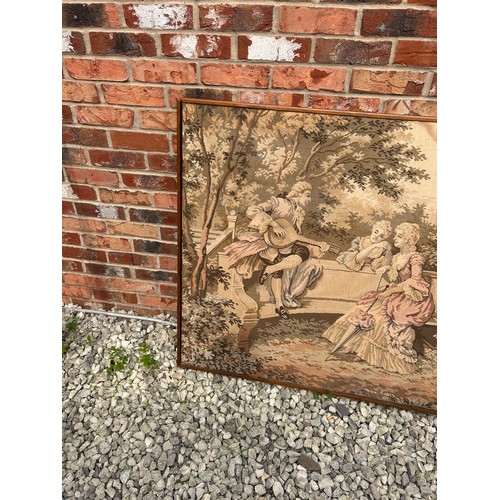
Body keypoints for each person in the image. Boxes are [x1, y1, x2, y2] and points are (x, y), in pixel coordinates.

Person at [322, 222, 435, 374]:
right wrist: (387, 269)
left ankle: (365, 351)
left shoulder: (415, 258)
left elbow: (415, 280)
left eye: (399, 236)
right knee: (361, 309)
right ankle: (354, 345)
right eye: (396, 235)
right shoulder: (398, 256)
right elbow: (397, 279)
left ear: (408, 240)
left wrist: (390, 291)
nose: (395, 238)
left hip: (413, 298)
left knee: (379, 318)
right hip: (396, 293)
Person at [224, 181, 330, 319]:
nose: (309, 199)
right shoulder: (279, 202)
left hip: (285, 245)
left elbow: (293, 236)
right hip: (267, 242)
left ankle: (270, 270)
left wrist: (317, 244)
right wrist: (273, 224)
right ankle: (279, 305)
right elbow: (252, 210)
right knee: (277, 261)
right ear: (298, 194)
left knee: (303, 253)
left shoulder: (298, 212)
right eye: (308, 195)